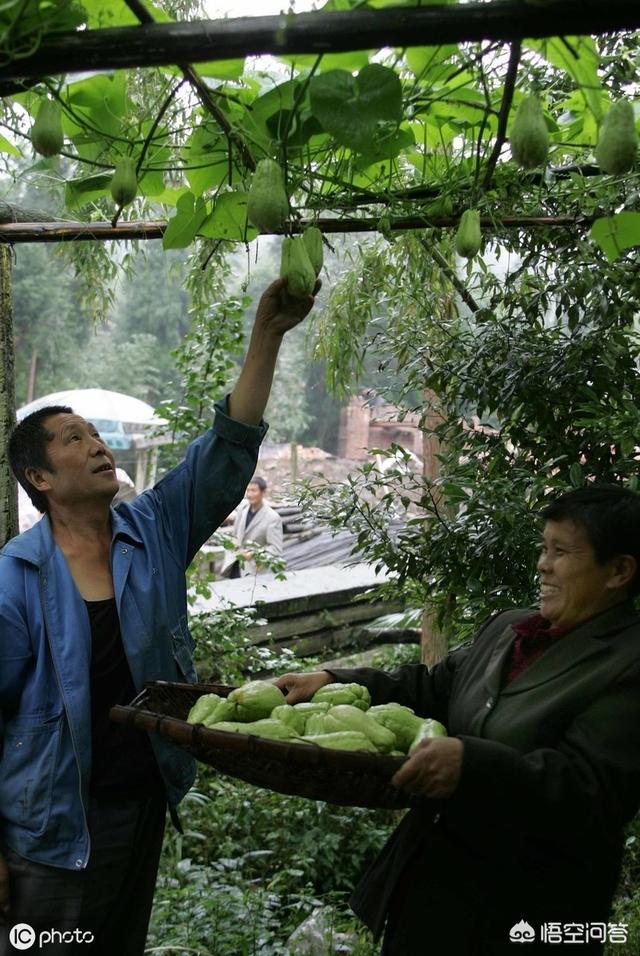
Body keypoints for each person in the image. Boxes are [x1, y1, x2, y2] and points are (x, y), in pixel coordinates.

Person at [0, 276, 319, 956]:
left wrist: (267, 335)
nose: (95, 443)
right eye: (72, 438)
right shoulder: (14, 578)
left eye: (95, 434)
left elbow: (224, 451)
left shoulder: (152, 530)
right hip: (50, 833)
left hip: (141, 805)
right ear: (41, 479)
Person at [276, 485, 640, 955]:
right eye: (543, 548)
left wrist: (471, 763)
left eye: (562, 551)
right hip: (433, 895)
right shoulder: (509, 629)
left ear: (620, 570)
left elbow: (588, 787)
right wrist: (330, 678)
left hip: (529, 912)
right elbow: (432, 689)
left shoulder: (628, 661)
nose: (543, 564)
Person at [219, 475, 284, 578]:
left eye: (253, 490)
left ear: (263, 492)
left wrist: (254, 554)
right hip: (235, 564)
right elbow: (235, 536)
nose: (249, 494)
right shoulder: (242, 510)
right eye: (248, 490)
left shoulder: (272, 518)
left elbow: (276, 549)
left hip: (254, 571)